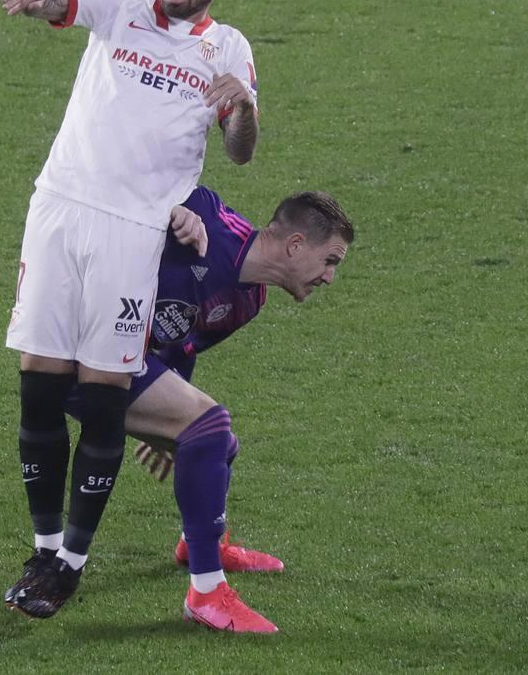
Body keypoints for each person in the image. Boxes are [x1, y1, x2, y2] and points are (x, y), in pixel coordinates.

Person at [0, 0, 260, 619]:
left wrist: (241, 107)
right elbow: (62, 1)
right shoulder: (121, 7)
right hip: (57, 210)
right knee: (40, 388)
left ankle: (71, 565)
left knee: (105, 395)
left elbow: (239, 149)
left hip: (133, 234)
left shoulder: (227, 49)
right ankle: (43, 547)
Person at [69, 186, 355, 633]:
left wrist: (166, 416)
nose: (330, 277)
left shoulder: (249, 300)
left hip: (124, 363)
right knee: (210, 428)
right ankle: (206, 593)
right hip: (75, 350)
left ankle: (200, 544)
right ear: (296, 245)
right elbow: (125, 184)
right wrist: (169, 208)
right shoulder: (206, 216)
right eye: (330, 261)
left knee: (218, 443)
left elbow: (179, 343)